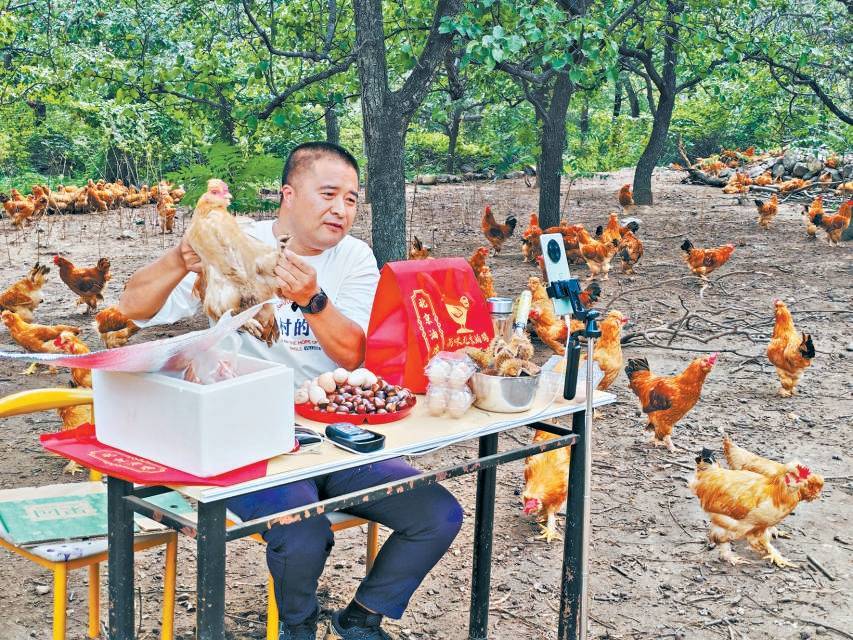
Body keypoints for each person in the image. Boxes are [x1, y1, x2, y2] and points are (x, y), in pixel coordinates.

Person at [119, 142, 463, 640]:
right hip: (246, 438)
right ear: (288, 194)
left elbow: (354, 354)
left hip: (332, 435)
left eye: (351, 199)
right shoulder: (235, 244)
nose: (341, 209)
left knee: (437, 514)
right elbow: (132, 307)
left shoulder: (354, 257)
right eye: (329, 194)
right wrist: (179, 257)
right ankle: (298, 627)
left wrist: (312, 299)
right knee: (302, 531)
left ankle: (361, 617)